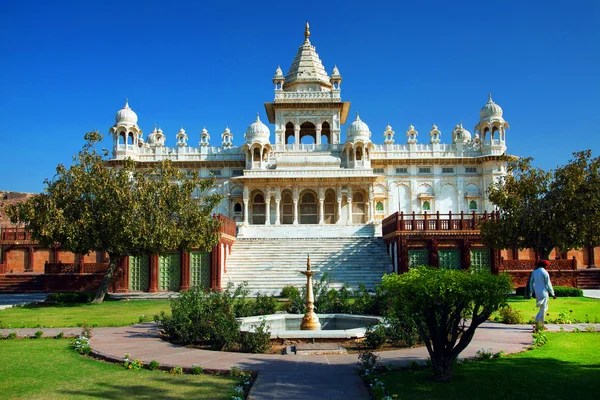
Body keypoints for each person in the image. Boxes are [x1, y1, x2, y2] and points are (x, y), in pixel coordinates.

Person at [529, 259, 556, 324]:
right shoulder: (544, 272)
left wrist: (532, 291)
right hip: (544, 292)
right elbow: (548, 284)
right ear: (545, 265)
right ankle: (538, 322)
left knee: (542, 308)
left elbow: (531, 282)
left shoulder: (534, 272)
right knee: (544, 308)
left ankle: (539, 322)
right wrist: (552, 293)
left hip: (537, 292)